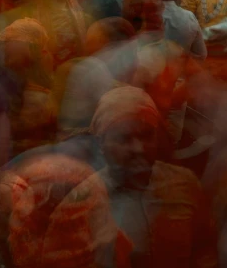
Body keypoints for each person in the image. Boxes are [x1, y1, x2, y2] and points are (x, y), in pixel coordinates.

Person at [90, 86, 219, 268]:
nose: (139, 148)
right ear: (100, 143)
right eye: (124, 139)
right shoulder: (86, 201)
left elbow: (205, 251)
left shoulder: (184, 184)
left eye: (146, 135)